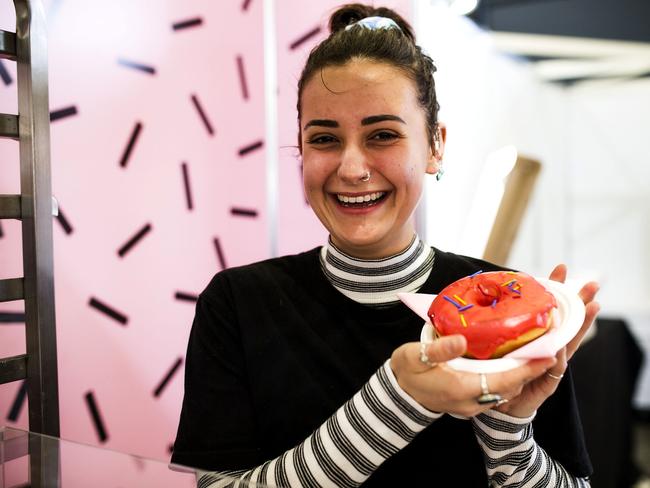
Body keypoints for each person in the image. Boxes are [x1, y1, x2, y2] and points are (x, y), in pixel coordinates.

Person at [171, 4, 600, 487]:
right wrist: (398, 400)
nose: (352, 168)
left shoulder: (513, 308)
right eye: (325, 139)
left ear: (435, 145)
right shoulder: (237, 304)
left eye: (382, 135)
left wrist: (507, 431)